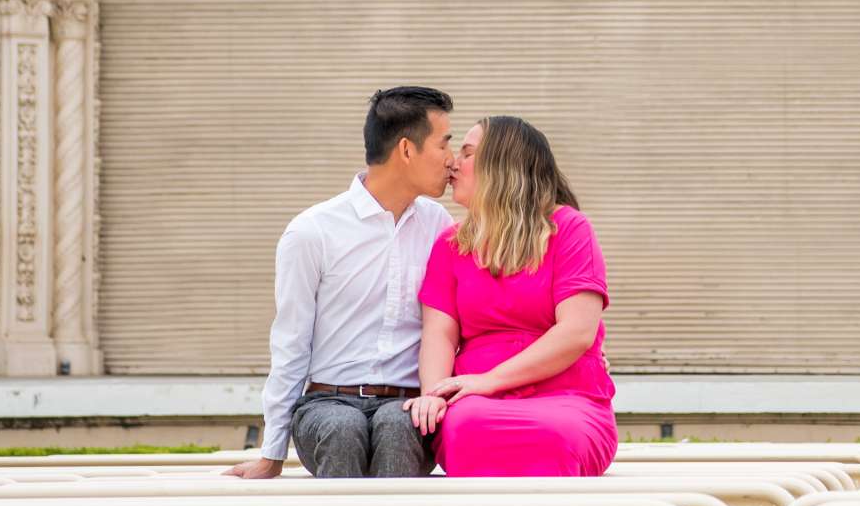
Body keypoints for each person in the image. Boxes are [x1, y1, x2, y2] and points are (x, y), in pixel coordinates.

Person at [226, 86, 455, 479]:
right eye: (443, 145)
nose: (451, 160)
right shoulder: (313, 231)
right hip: (326, 403)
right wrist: (272, 453)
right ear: (406, 150)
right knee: (342, 429)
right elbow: (290, 342)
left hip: (406, 405)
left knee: (399, 428)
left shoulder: (439, 226)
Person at [409, 116, 616, 475]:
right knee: (466, 428)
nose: (454, 163)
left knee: (560, 435)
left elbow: (577, 332)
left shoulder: (569, 229)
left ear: (503, 165)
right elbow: (438, 333)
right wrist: (433, 394)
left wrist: (489, 380)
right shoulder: (449, 245)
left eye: (468, 153)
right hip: (475, 403)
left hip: (568, 398)